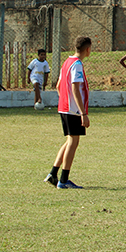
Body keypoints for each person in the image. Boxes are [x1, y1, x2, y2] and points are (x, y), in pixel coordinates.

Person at [44, 36, 92, 189]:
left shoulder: (67, 62)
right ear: (87, 49)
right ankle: (63, 180)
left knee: (69, 141)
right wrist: (82, 113)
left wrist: (64, 100)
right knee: (73, 142)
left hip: (64, 107)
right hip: (73, 110)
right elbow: (75, 88)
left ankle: (53, 173)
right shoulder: (77, 65)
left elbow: (59, 85)